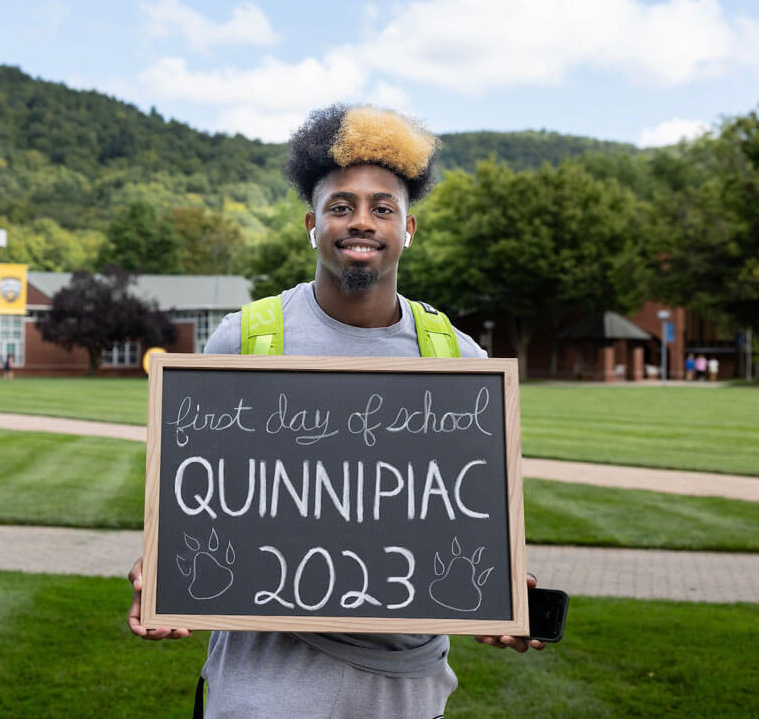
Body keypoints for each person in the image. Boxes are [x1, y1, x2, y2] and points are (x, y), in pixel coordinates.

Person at [126, 105, 544, 718]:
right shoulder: (245, 339)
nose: (362, 222)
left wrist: (500, 592)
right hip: (263, 681)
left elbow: (468, 515)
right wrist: (161, 575)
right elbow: (199, 505)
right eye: (341, 206)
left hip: (404, 688)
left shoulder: (457, 355)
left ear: (408, 229)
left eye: (383, 207)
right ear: (311, 225)